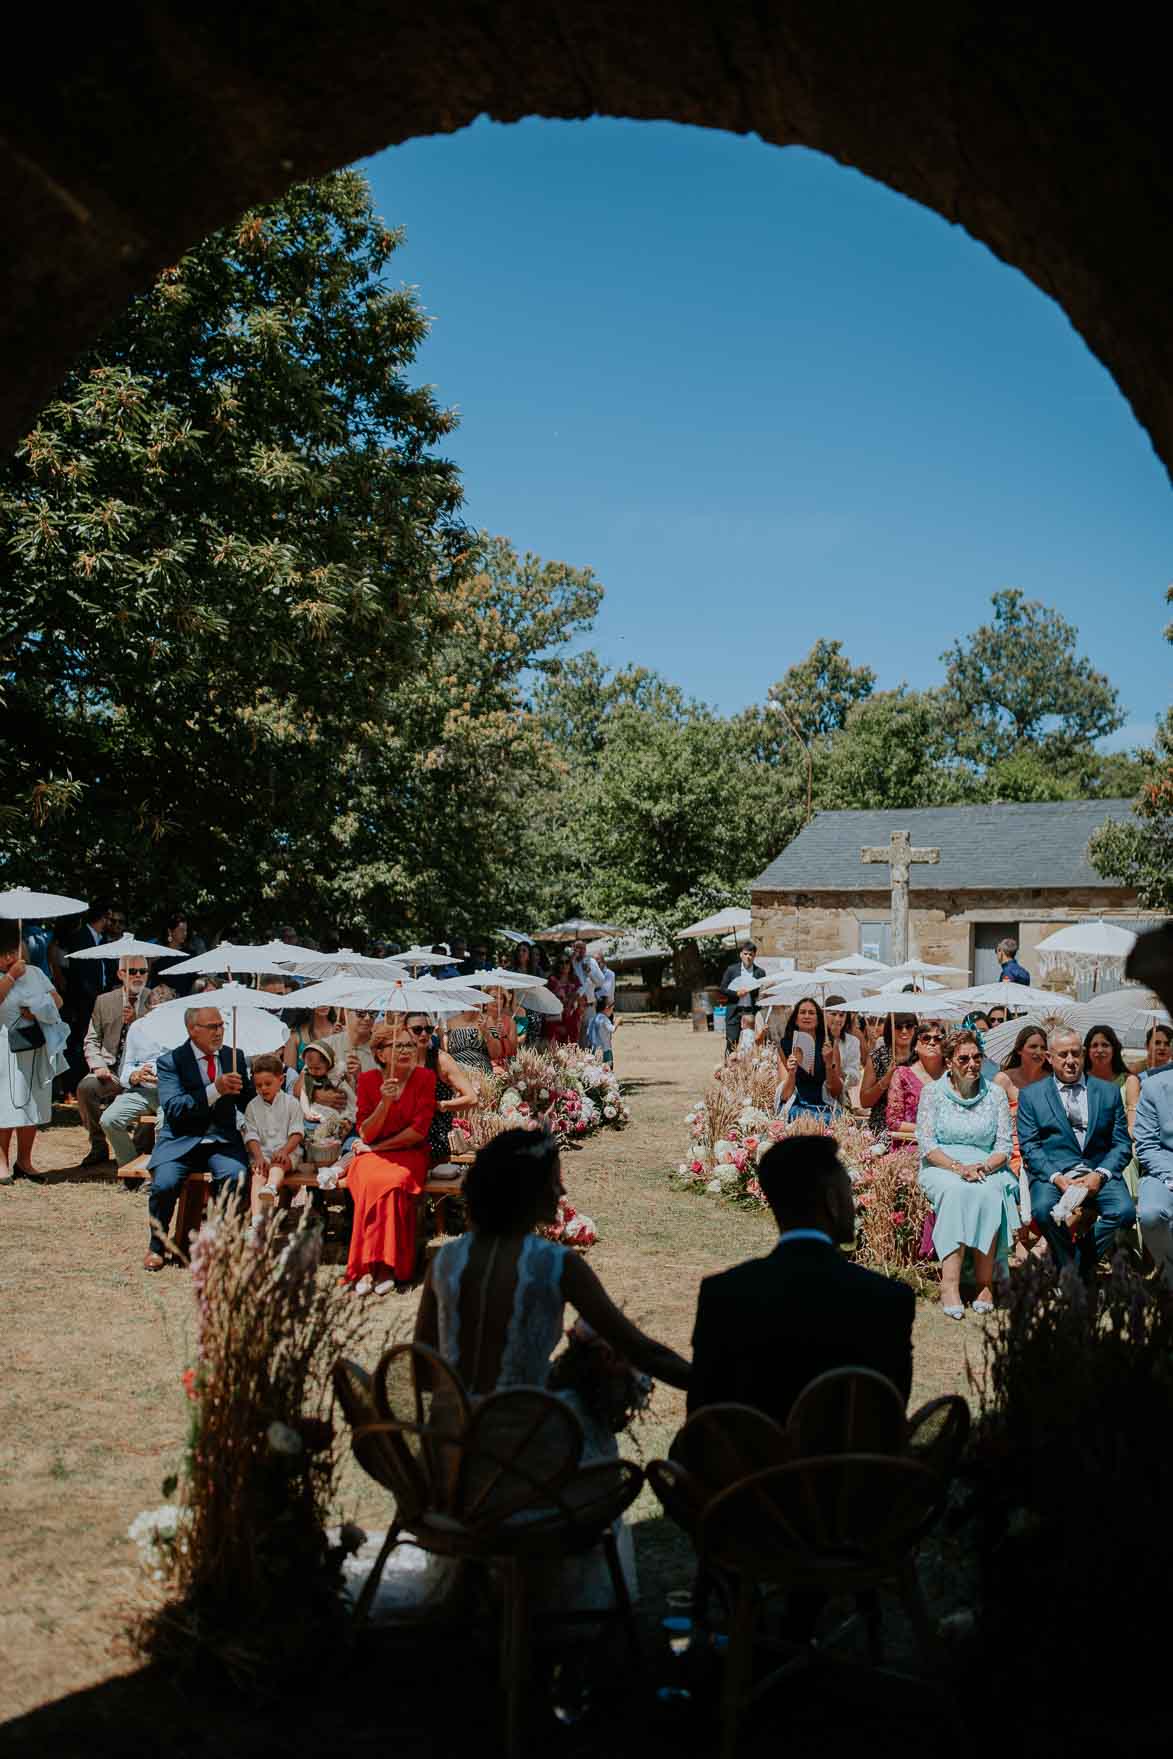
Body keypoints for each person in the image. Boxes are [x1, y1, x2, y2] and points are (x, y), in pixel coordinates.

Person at [415, 1129, 690, 1602]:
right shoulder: (555, 1264)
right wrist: (712, 1380)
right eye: (554, 1181)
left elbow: (422, 1369)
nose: (562, 1192)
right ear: (526, 1191)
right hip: (530, 1467)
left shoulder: (446, 1262)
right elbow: (642, 1351)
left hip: (454, 1465)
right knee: (590, 1434)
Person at [689, 1134, 913, 1423]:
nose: (853, 1205)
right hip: (851, 1467)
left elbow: (702, 1417)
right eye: (849, 1193)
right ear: (832, 1201)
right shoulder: (888, 1299)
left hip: (756, 1465)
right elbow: (890, 1418)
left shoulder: (722, 1295)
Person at [144, 1005, 256, 1271]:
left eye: (221, 1026)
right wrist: (214, 1090)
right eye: (212, 1027)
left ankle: (219, 1243)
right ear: (192, 1030)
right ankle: (156, 1246)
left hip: (222, 1140)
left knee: (235, 1177)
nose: (219, 1032)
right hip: (182, 1138)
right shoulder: (171, 1061)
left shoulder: (234, 1056)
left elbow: (248, 1100)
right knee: (164, 1184)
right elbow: (174, 1108)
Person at [916, 1029, 1018, 1318]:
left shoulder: (995, 1093)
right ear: (949, 1061)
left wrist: (983, 1167)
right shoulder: (932, 1093)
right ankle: (950, 1285)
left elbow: (1002, 1145)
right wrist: (958, 1168)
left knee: (989, 1191)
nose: (972, 1064)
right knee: (957, 1191)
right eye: (964, 1058)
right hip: (942, 1165)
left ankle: (985, 1284)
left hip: (987, 1165)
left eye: (977, 1057)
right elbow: (927, 1144)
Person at [1017, 1027, 1135, 1270]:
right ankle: (1076, 1268)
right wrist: (1057, 1178)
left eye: (1075, 1053)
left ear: (1083, 1054)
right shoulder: (1031, 1096)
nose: (1070, 1061)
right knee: (1042, 1211)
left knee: (1124, 1212)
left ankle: (1075, 1266)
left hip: (1097, 1170)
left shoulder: (1108, 1092)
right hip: (1054, 1173)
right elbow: (1030, 1146)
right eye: (1063, 1055)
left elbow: (1122, 1143)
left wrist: (1100, 1174)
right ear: (1049, 1057)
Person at [344, 1022, 437, 1294]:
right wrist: (384, 1103)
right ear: (380, 1053)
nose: (406, 1050)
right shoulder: (368, 1081)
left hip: (409, 1154)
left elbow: (418, 1131)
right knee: (371, 1183)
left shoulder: (425, 1078)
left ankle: (387, 1266)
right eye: (397, 1046)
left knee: (393, 1183)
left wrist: (377, 1150)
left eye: (409, 1044)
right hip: (371, 1154)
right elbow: (366, 1132)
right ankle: (366, 1266)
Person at [0, 930, 68, 1185]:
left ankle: (24, 1160)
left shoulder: (36, 973)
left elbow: (57, 1000)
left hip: (34, 1044)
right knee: (6, 1104)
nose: (9, 956)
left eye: (13, 951)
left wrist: (38, 1009)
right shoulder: (7, 975)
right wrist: (10, 976)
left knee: (32, 1104)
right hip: (4, 1046)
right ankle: (2, 1161)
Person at [75, 954, 151, 1166]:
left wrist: (137, 1022)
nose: (137, 975)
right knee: (85, 1087)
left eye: (142, 971)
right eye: (131, 971)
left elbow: (160, 1040)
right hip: (111, 1068)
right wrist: (98, 1065)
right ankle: (98, 1144)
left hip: (141, 1071)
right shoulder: (104, 1001)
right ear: (120, 974)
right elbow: (91, 1039)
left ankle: (138, 1147)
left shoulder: (155, 1000)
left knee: (153, 1092)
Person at [99, 981, 176, 1170]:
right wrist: (134, 1076)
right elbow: (125, 1069)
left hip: (171, 1092)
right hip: (141, 1090)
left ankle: (161, 1173)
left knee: (164, 1122)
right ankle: (130, 1168)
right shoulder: (138, 1028)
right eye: (154, 1011)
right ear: (147, 1009)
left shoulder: (182, 1031)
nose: (158, 1017)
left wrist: (165, 1078)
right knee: (109, 1119)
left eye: (163, 1012)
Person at [995, 1025, 1051, 1253]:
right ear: (1020, 1050)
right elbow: (992, 1118)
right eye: (1032, 1046)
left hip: (1043, 1145)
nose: (1038, 1051)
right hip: (1011, 1146)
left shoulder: (1052, 1080)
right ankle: (1018, 1243)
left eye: (1043, 1047)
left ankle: (1043, 1243)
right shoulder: (1004, 1079)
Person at [399, 1011, 481, 1167]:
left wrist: (442, 1105)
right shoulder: (399, 1061)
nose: (424, 1034)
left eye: (428, 1029)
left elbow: (472, 1098)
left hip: (434, 1135)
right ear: (405, 1031)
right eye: (417, 1030)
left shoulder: (440, 1059)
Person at [60, 898, 115, 1094]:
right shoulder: (80, 938)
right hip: (83, 1001)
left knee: (94, 1042)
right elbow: (78, 973)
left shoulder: (103, 940)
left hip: (98, 998)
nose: (111, 923)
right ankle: (71, 1087)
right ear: (101, 918)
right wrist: (94, 997)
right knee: (80, 1043)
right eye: (109, 918)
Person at [243, 1051, 304, 1219]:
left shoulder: (291, 1103)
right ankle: (256, 1221)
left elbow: (297, 1131)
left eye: (268, 1083)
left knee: (278, 1165)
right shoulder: (252, 1106)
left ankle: (271, 1187)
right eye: (258, 1085)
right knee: (257, 1175)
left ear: (281, 1080)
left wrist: (284, 1150)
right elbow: (251, 1135)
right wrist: (258, 1157)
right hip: (263, 1153)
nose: (263, 1089)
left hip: (287, 1153)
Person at [1134, 1064, 1173, 1287]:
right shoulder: (1153, 1086)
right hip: (1165, 1168)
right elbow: (1146, 1145)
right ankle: (1169, 1270)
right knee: (1151, 1213)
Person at [776, 997, 842, 1120]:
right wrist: (792, 1073)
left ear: (818, 1019)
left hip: (825, 1107)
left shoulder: (830, 1045)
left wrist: (828, 1065)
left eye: (811, 1013)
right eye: (802, 1012)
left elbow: (836, 1092)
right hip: (796, 1107)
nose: (807, 1016)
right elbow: (785, 1096)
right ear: (795, 1019)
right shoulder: (785, 1046)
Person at [859, 1014, 918, 1142]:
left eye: (909, 1026)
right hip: (883, 1125)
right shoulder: (877, 1057)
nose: (904, 1031)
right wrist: (886, 1079)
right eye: (898, 1027)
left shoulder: (920, 1058)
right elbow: (864, 1101)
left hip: (915, 1125)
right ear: (890, 1029)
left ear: (915, 1029)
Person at [886, 1023, 945, 1134]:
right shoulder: (902, 1075)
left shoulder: (952, 1074)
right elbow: (894, 1122)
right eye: (926, 1038)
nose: (932, 1042)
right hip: (912, 1143)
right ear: (915, 1046)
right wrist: (928, 1130)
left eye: (938, 1039)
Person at [1125, 1022, 1173, 1131]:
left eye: (1166, 1044)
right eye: (1157, 1043)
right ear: (1147, 1046)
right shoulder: (1135, 1071)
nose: (1162, 1047)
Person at [719, 943, 765, 1056]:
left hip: (751, 1011)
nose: (748, 957)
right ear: (741, 955)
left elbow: (763, 992)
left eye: (751, 954)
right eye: (745, 954)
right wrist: (736, 993)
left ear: (754, 956)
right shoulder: (731, 970)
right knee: (732, 1042)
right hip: (734, 1011)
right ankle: (728, 1070)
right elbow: (723, 989)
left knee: (750, 1043)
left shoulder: (760, 972)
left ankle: (748, 1070)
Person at [822, 998, 861, 1104]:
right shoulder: (815, 1038)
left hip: (838, 1098)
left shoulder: (852, 1042)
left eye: (841, 1015)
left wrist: (840, 1074)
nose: (838, 1019)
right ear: (823, 1014)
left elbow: (855, 1075)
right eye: (833, 1014)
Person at [323, 1008, 377, 1081]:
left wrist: (360, 1078)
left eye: (373, 1012)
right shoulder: (327, 1044)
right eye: (361, 1012)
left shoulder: (382, 1050)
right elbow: (304, 1082)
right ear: (347, 1012)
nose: (367, 1018)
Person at [152, 913, 195, 998]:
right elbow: (154, 982)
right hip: (164, 1001)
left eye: (186, 930)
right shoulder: (159, 955)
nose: (185, 933)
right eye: (181, 930)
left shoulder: (190, 954)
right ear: (170, 931)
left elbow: (195, 981)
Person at [284, 1005, 337, 1071]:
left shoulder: (341, 1031)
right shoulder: (295, 1036)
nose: (324, 1004)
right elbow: (290, 1077)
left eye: (326, 998)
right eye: (318, 1000)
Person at [587, 993, 618, 1066]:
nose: (612, 1012)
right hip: (605, 1049)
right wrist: (617, 1021)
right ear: (607, 1008)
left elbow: (588, 1033)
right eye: (612, 1009)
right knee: (607, 1069)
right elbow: (612, 1029)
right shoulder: (604, 1018)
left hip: (594, 1049)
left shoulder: (594, 1018)